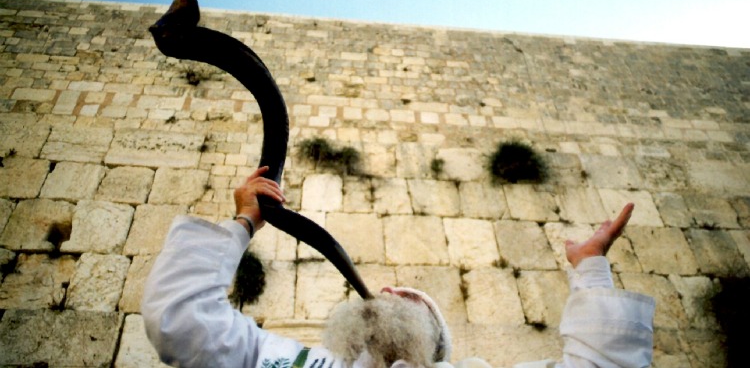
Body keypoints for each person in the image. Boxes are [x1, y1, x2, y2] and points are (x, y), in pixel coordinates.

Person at [142, 167, 655, 368]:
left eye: (411, 297)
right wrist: (243, 222)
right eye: (388, 289)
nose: (386, 289)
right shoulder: (282, 358)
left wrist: (590, 270)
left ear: (436, 342)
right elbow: (179, 322)